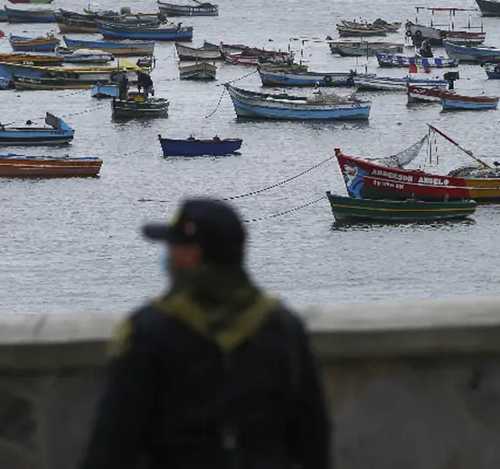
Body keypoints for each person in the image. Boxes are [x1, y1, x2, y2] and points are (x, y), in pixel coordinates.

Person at [79, 199, 331, 469]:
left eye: (173, 245)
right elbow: (313, 437)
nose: (168, 254)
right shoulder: (284, 327)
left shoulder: (149, 332)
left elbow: (112, 442)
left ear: (191, 255)